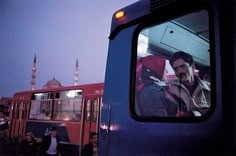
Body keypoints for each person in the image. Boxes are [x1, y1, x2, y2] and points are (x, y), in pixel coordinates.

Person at [168, 51, 211, 116]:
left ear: (193, 67)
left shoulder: (209, 88)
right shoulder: (168, 87)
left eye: (183, 66)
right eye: (176, 69)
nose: (179, 71)